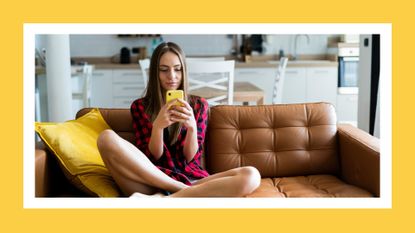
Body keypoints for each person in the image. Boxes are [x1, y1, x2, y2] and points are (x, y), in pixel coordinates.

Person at [97, 42, 261, 197]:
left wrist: (191, 128)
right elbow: (152, 158)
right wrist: (158, 127)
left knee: (252, 175)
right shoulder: (140, 107)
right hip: (152, 179)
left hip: (190, 176)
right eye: (164, 69)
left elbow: (191, 158)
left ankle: (165, 198)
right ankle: (184, 192)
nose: (172, 76)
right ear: (155, 72)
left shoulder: (199, 105)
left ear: (184, 71)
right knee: (106, 138)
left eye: (177, 69)